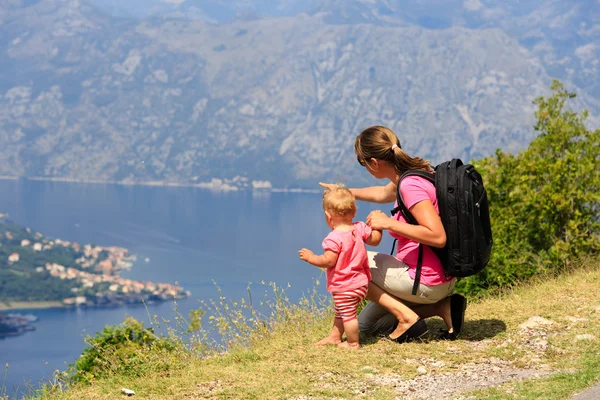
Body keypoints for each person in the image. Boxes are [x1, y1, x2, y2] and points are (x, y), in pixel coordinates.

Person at [320, 125, 467, 343]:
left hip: (425, 279)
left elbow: (437, 236)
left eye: (363, 164)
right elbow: (381, 194)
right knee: (366, 326)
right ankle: (442, 307)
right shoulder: (413, 176)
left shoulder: (410, 186)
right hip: (436, 278)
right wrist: (343, 193)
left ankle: (406, 317)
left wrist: (389, 223)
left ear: (373, 163)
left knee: (344, 259)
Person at [298, 185, 382, 349]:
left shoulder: (333, 238)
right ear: (354, 211)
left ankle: (353, 343)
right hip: (361, 283)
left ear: (328, 217)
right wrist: (378, 226)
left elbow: (328, 261)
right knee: (341, 311)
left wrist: (311, 258)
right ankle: (335, 336)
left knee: (349, 316)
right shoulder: (359, 228)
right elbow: (375, 240)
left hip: (345, 285)